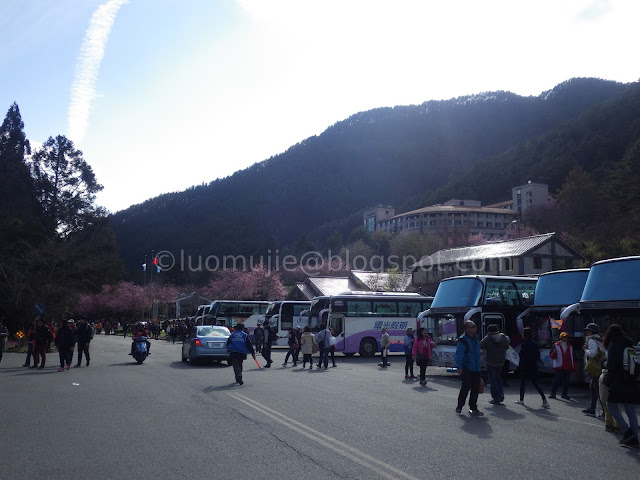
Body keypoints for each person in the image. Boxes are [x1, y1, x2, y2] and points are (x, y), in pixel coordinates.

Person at [602, 324, 640, 448]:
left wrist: (607, 378)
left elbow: (612, 366)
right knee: (630, 409)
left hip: (618, 382)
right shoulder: (629, 344)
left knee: (611, 406)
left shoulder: (614, 345)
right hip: (631, 380)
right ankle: (634, 435)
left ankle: (627, 431)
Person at [514, 327, 550, 408]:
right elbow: (537, 355)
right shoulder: (535, 344)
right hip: (533, 366)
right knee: (536, 383)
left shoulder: (524, 344)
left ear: (524, 335)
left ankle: (521, 399)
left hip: (524, 366)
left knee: (523, 383)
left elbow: (521, 355)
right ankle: (544, 400)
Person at [455, 320, 484, 416]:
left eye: (475, 326)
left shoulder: (476, 339)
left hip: (476, 368)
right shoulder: (463, 340)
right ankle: (460, 406)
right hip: (467, 368)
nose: (475, 328)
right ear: (467, 329)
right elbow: (459, 354)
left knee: (475, 389)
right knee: (465, 388)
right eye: (473, 326)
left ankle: (473, 407)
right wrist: (459, 367)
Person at [479, 324, 510, 405]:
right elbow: (507, 347)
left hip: (491, 361)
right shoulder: (503, 337)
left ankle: (496, 398)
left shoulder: (487, 338)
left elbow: (480, 345)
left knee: (493, 380)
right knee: (498, 379)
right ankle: (501, 394)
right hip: (501, 361)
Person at [582, 323, 604, 416]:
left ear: (592, 332)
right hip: (602, 366)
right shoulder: (600, 339)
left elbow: (592, 353)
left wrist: (585, 350)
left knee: (596, 389)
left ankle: (599, 410)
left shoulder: (591, 340)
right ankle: (594, 408)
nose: (587, 332)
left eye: (588, 330)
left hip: (595, 367)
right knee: (597, 388)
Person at [549, 332, 576, 400]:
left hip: (567, 365)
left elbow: (572, 356)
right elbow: (551, 356)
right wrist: (553, 353)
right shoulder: (556, 345)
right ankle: (553, 394)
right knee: (557, 380)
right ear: (561, 338)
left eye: (566, 337)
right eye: (564, 337)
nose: (565, 338)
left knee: (566, 381)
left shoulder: (570, 346)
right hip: (559, 365)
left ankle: (564, 394)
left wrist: (573, 365)